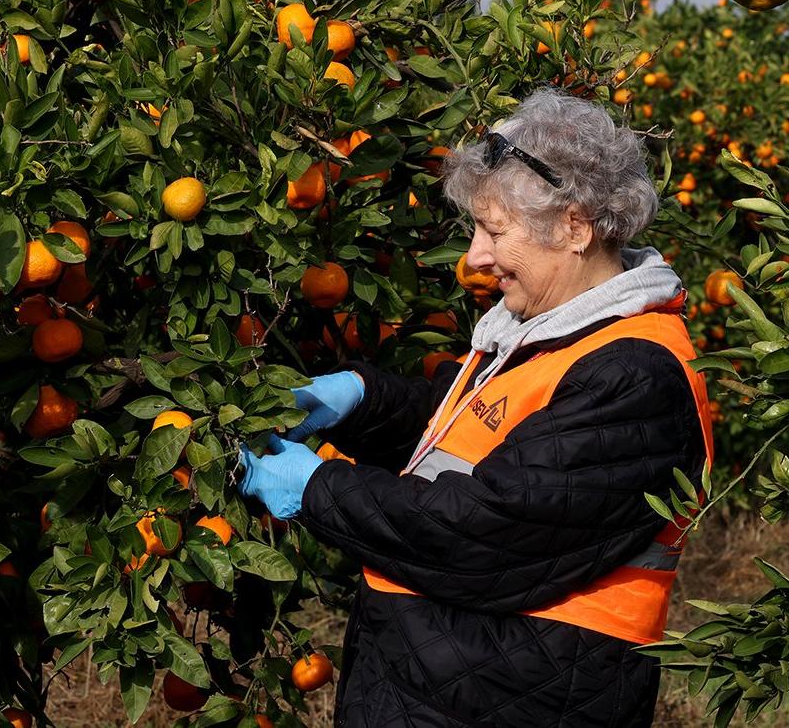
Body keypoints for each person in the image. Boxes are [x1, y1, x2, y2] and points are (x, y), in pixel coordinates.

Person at [238, 89, 714, 727]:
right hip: (440, 684)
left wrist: (317, 489)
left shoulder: (635, 378)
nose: (475, 258)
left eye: (494, 230)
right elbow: (470, 429)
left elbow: (482, 530)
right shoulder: (551, 333)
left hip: (515, 699)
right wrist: (359, 402)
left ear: (574, 227)